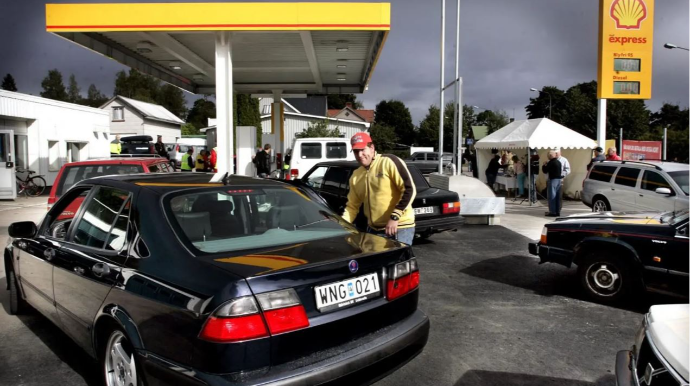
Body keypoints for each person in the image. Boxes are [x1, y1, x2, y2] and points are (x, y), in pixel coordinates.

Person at [341, 132, 417, 245]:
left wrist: (395, 217)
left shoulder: (388, 161)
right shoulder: (356, 176)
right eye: (356, 151)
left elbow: (409, 189)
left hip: (398, 227)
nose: (360, 154)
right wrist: (341, 227)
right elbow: (352, 207)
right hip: (373, 230)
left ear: (372, 148)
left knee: (397, 262)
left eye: (363, 149)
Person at [542, 150, 563, 217]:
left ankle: (552, 212)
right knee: (557, 196)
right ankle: (557, 211)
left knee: (552, 196)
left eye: (548, 156)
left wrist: (544, 165)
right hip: (559, 180)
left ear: (550, 156)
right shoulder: (559, 162)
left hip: (553, 180)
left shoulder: (551, 162)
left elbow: (545, 171)